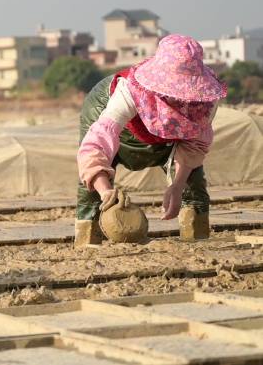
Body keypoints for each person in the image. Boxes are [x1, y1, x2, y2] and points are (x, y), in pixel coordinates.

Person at [75, 34, 227, 246]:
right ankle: (87, 235)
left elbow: (194, 144)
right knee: (91, 189)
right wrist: (105, 191)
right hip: (115, 121)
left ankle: (197, 232)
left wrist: (177, 184)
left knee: (193, 182)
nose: (180, 98)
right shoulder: (129, 91)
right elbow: (96, 145)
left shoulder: (205, 101)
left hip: (166, 141)